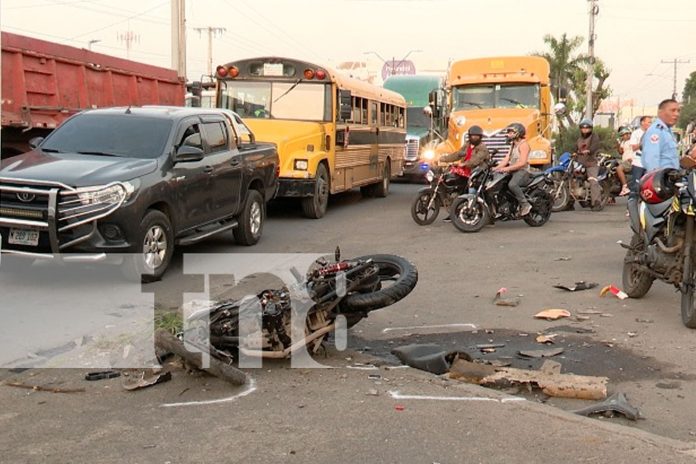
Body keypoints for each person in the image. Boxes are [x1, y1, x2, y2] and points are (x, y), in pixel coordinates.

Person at [494, 122, 532, 216]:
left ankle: (525, 205)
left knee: (512, 184)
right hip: (513, 171)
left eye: (511, 132)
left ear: (518, 133)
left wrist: (507, 169)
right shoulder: (513, 145)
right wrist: (496, 168)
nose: (508, 134)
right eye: (508, 132)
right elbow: (507, 159)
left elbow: (522, 163)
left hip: (522, 171)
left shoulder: (524, 145)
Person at [642, 99, 681, 171]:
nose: (676, 114)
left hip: (671, 177)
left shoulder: (667, 131)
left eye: (678, 111)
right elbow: (651, 160)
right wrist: (656, 181)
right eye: (673, 110)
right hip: (661, 179)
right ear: (660, 112)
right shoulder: (656, 131)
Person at [575, 118, 603, 211]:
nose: (585, 130)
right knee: (572, 179)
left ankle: (597, 202)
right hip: (580, 162)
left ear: (591, 128)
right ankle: (568, 202)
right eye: (583, 128)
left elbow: (595, 146)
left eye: (587, 128)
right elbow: (575, 148)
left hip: (591, 163)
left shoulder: (594, 137)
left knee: (593, 181)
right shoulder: (579, 139)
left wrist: (589, 150)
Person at [628, 115, 653, 199]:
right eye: (649, 122)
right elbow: (634, 148)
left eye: (651, 122)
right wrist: (642, 143)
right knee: (635, 186)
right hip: (638, 162)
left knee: (648, 186)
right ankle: (631, 208)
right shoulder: (636, 133)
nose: (650, 124)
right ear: (642, 122)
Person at [615, 127, 632, 196]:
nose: (623, 137)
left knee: (619, 169)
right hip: (623, 161)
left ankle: (625, 187)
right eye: (622, 135)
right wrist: (618, 144)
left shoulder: (632, 141)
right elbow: (621, 152)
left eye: (624, 135)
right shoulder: (623, 142)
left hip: (630, 161)